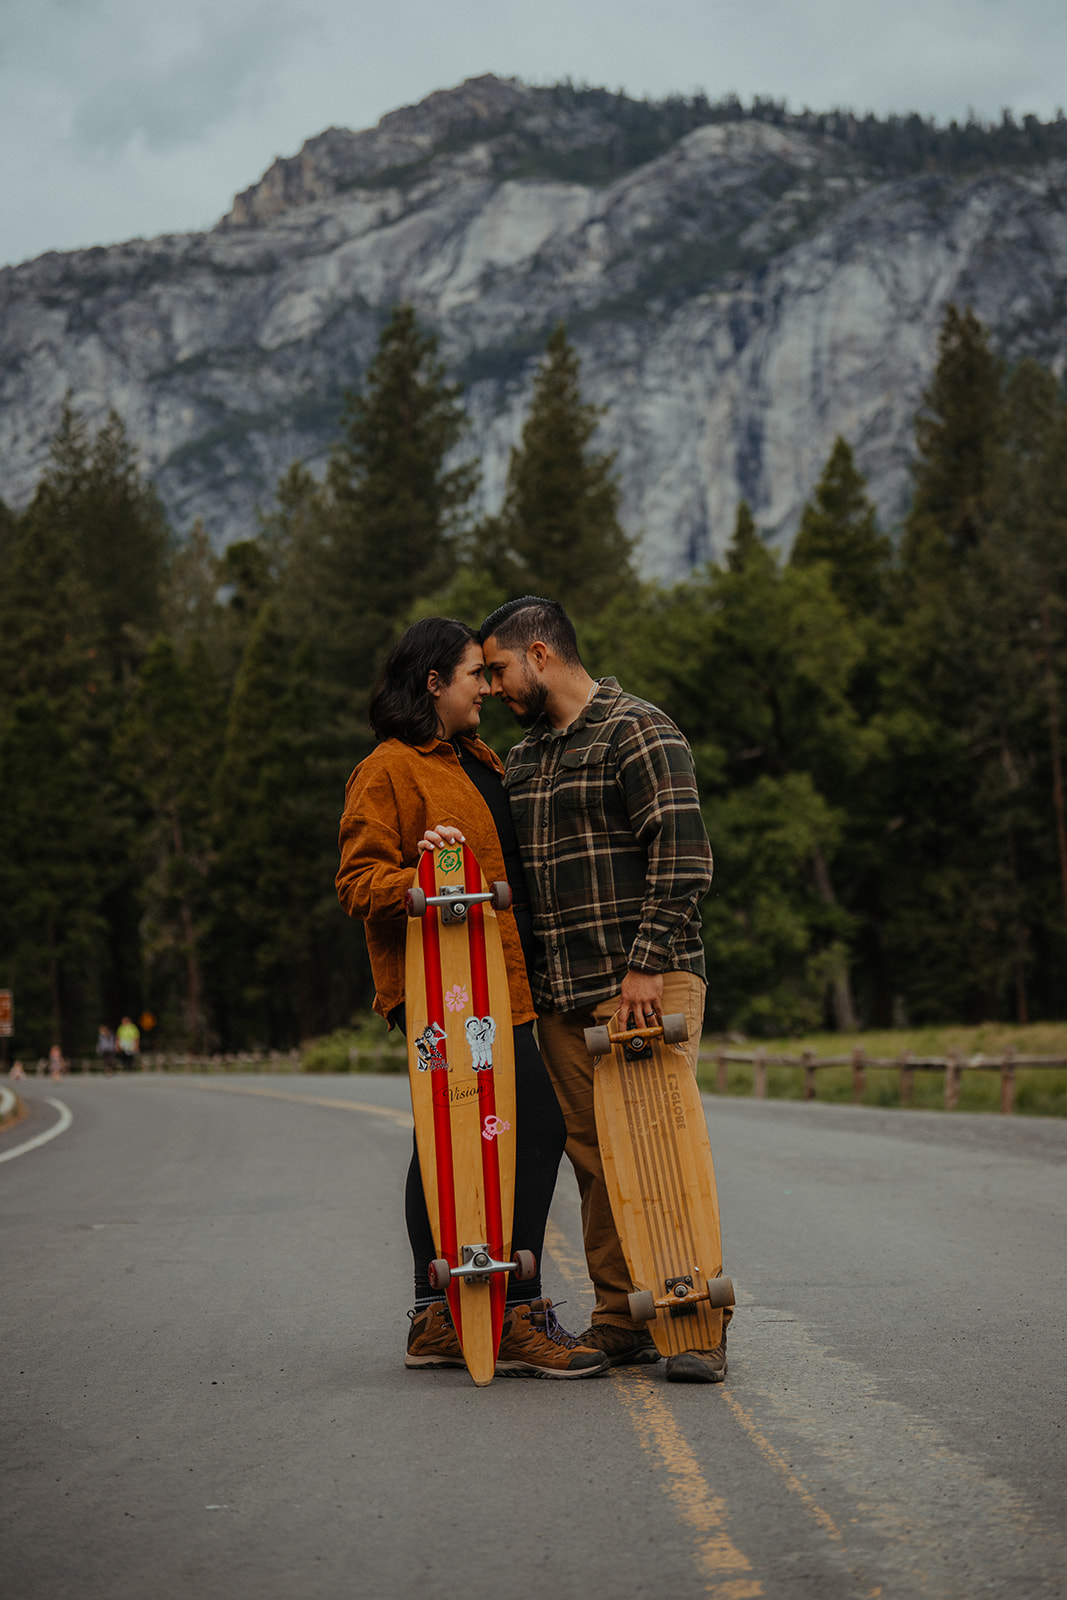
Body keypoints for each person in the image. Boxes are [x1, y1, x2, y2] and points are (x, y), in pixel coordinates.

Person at [336, 616, 608, 1379]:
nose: (486, 688)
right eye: (471, 676)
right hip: (444, 991)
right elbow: (357, 882)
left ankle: (436, 1319)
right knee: (532, 1127)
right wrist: (418, 879)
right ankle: (514, 1310)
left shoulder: (474, 758)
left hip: (500, 980)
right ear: (433, 685)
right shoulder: (388, 769)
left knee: (452, 1139)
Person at [480, 595, 729, 1384]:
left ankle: (694, 1325)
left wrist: (644, 967)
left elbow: (684, 857)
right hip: (563, 997)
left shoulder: (638, 730)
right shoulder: (521, 761)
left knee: (660, 1147)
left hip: (645, 984)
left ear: (541, 654)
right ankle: (621, 1318)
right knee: (594, 1161)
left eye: (497, 669)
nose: (490, 686)